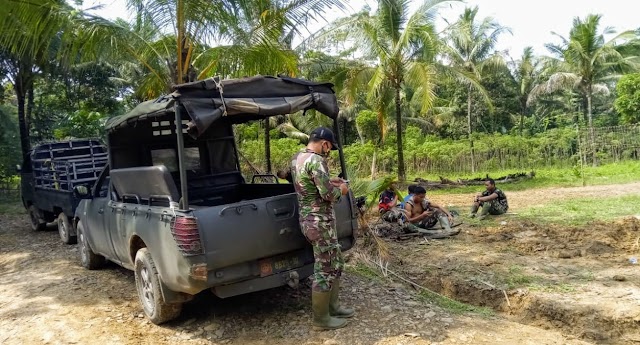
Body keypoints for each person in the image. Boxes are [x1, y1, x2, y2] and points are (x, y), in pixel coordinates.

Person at [290, 126, 353, 331]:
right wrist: (341, 189)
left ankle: (333, 307)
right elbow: (328, 195)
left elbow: (308, 183)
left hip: (310, 221)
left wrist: (330, 181)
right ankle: (321, 319)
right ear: (324, 143)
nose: (329, 151)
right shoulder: (316, 160)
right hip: (320, 222)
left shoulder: (298, 158)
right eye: (329, 147)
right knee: (325, 269)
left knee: (336, 261)